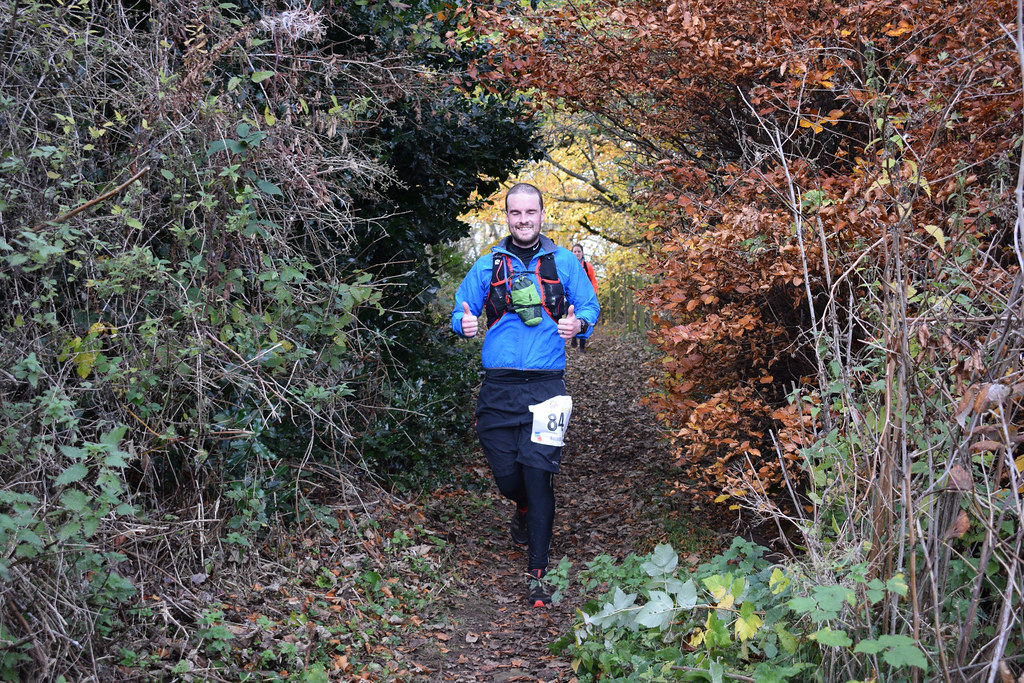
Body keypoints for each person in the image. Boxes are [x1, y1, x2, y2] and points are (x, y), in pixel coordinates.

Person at [451, 183, 600, 607]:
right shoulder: (486, 265)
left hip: (547, 387)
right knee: (507, 478)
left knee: (539, 479)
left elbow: (589, 307)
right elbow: (462, 309)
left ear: (541, 214)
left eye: (529, 212)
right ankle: (520, 509)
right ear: (507, 216)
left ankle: (538, 574)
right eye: (515, 213)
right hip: (498, 389)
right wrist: (460, 325)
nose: (522, 219)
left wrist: (579, 326)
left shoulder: (564, 262)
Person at [570, 243, 599, 353]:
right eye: (575, 251)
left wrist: (592, 294)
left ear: (582, 253)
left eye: (579, 251)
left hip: (585, 298)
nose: (577, 253)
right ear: (572, 253)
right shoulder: (569, 266)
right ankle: (573, 337)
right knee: (572, 317)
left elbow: (593, 281)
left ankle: (582, 346)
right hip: (571, 298)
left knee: (584, 320)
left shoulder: (588, 266)